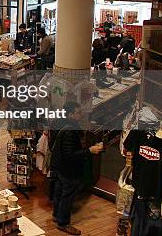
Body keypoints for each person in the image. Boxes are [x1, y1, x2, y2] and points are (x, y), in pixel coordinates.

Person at [50, 101, 104, 235]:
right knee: (67, 195)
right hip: (68, 168)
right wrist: (89, 150)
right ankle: (63, 222)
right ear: (70, 114)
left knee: (60, 190)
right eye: (78, 112)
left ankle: (57, 215)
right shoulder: (70, 130)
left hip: (58, 165)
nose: (80, 115)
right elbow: (70, 155)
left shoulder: (58, 122)